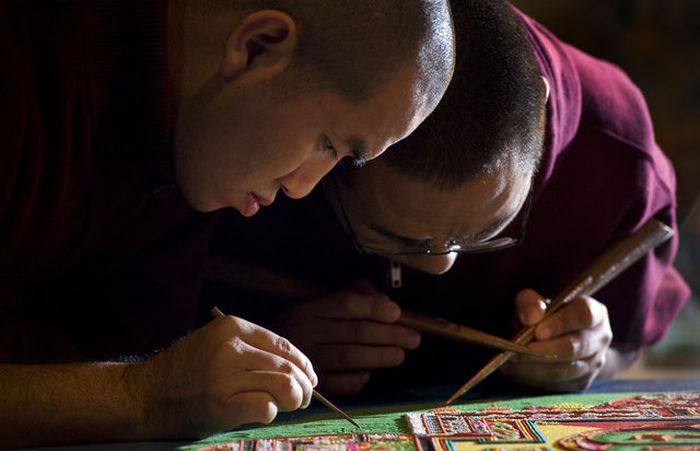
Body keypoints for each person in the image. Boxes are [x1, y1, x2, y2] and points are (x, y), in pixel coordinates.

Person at [0, 0, 455, 447]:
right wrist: (143, 397)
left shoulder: (194, 156)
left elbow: (108, 353)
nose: (301, 189)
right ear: (258, 46)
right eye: (327, 144)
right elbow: (135, 386)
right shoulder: (26, 57)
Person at [207, 0, 690, 398]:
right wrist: (267, 343)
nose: (441, 265)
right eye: (397, 238)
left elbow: (630, 338)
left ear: (540, 121)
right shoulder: (266, 135)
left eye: (488, 232)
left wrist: (590, 353)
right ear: (331, 158)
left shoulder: (615, 145)